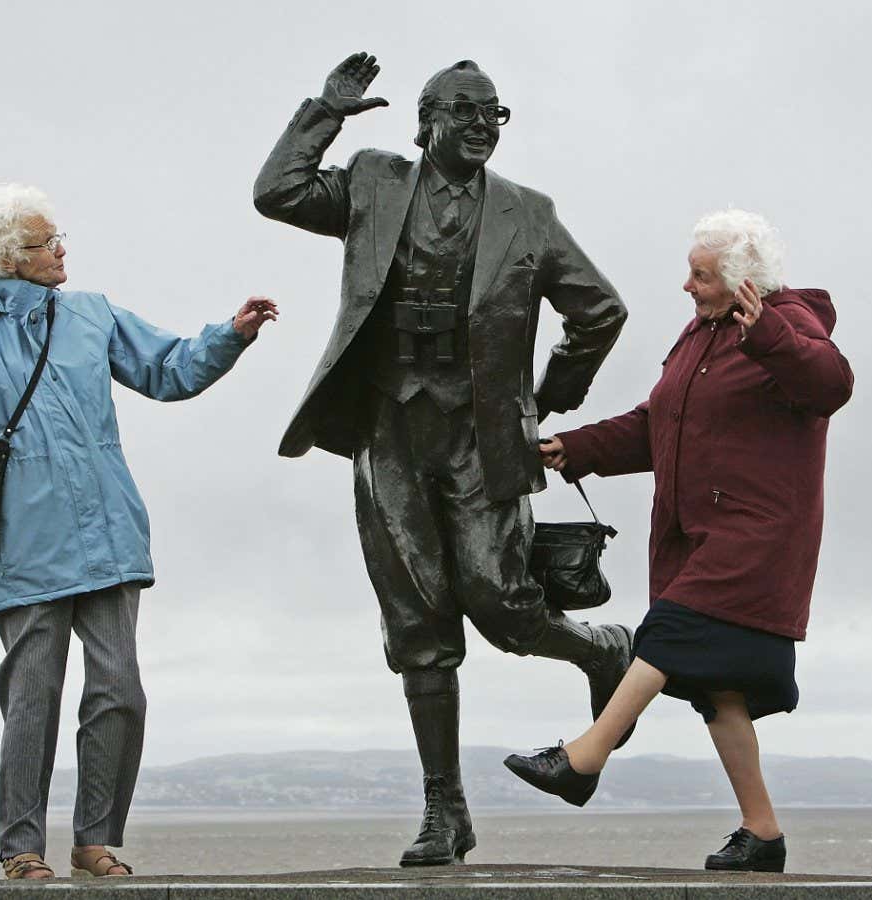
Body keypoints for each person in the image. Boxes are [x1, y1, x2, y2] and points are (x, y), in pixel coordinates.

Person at [253, 53, 632, 865]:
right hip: (388, 428)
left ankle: (602, 650)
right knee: (417, 625)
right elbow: (276, 192)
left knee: (504, 604)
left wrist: (547, 398)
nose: (482, 127)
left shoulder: (528, 214)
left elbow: (600, 310)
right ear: (426, 121)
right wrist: (325, 110)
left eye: (494, 114)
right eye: (466, 113)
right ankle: (444, 810)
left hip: (478, 434)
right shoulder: (374, 184)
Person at [0, 183, 277, 879]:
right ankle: (22, 850)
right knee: (32, 698)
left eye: (60, 237)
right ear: (7, 259)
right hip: (27, 536)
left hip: (110, 530)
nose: (59, 250)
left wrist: (230, 335)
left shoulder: (92, 314)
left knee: (119, 689)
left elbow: (167, 369)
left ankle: (95, 841)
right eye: (42, 242)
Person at [504, 210, 854, 873]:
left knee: (666, 633)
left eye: (700, 274)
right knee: (718, 690)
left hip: (758, 533)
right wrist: (574, 448)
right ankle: (763, 834)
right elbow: (657, 424)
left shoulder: (788, 322)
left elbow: (831, 385)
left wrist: (769, 333)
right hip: (696, 533)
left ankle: (584, 758)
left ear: (742, 280)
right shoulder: (700, 335)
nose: (686, 286)